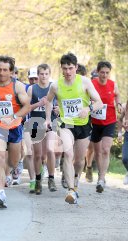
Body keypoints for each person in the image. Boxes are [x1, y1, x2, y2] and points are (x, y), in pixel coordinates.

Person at [45, 52, 103, 204]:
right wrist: (47, 119)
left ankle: (76, 179)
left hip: (83, 124)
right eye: (64, 68)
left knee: (78, 161)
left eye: (70, 68)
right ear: (61, 69)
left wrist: (88, 109)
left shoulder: (84, 82)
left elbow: (99, 102)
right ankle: (71, 190)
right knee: (68, 153)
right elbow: (48, 101)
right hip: (66, 124)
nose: (68, 72)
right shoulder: (56, 85)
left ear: (76, 67)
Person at [0, 55, 30, 208]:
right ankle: (1, 192)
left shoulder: (18, 87)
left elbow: (27, 106)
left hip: (14, 126)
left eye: (5, 70)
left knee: (13, 162)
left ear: (11, 71)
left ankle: (14, 168)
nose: (1, 73)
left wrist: (14, 116)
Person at [87, 61, 122, 192]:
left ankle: (101, 178)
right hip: (95, 122)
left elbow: (117, 95)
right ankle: (99, 175)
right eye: (102, 72)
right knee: (97, 151)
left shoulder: (113, 84)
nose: (105, 75)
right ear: (98, 71)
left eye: (107, 73)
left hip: (110, 120)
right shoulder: (92, 84)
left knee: (106, 149)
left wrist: (118, 104)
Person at [27, 64, 58, 194]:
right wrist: (38, 104)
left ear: (49, 74)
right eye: (41, 74)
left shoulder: (54, 87)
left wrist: (58, 109)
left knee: (51, 150)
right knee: (38, 154)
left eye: (46, 74)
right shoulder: (32, 89)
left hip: (51, 122)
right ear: (38, 75)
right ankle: (38, 180)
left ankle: (51, 178)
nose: (44, 76)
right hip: (35, 122)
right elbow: (27, 107)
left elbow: (61, 103)